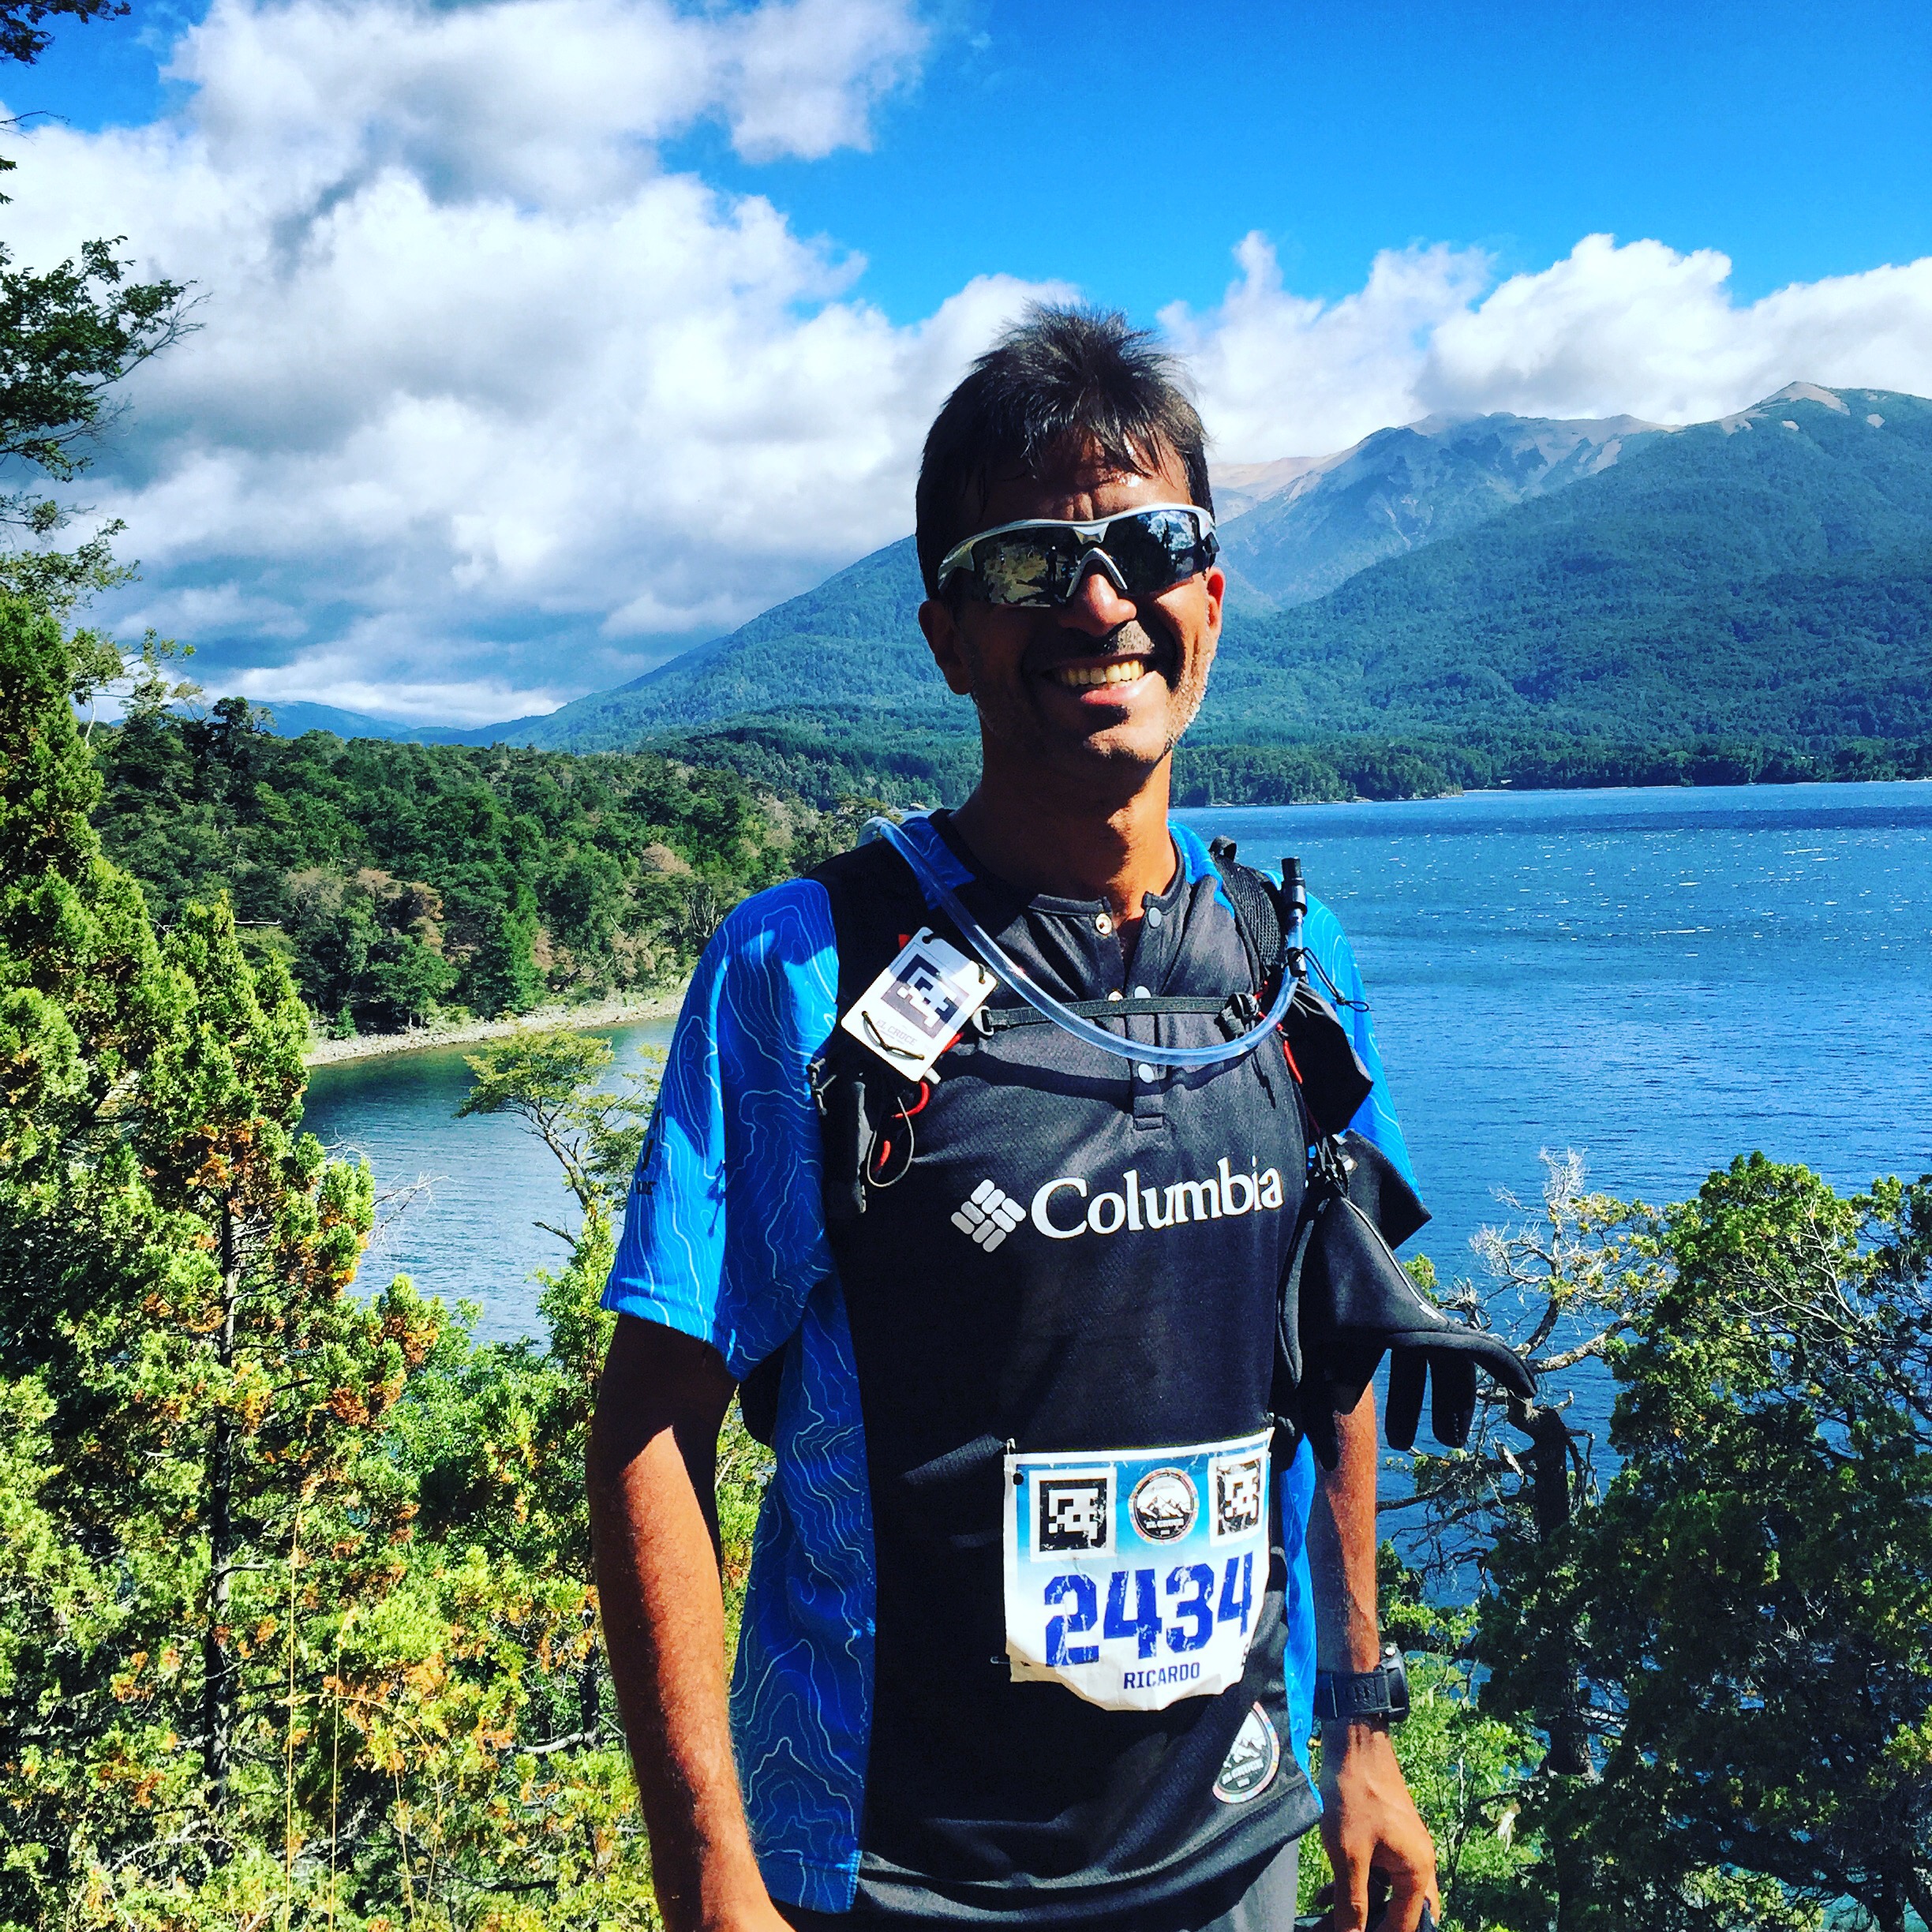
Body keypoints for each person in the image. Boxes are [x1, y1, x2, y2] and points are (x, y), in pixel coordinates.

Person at [589, 306, 1442, 1932]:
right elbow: (651, 1423)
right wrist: (707, 1873)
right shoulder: (805, 968)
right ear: (948, 635)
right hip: (892, 1878)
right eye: (1032, 564)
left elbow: (1335, 1352)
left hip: (1236, 1857)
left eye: (1150, 546)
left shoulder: (1291, 962)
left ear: (1211, 595)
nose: (1101, 603)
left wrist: (1362, 1726)